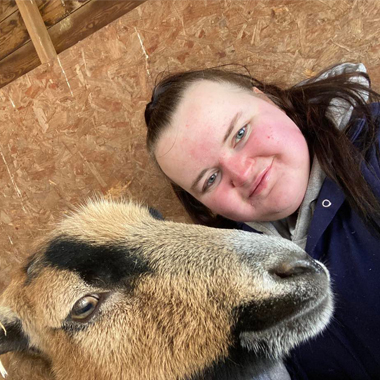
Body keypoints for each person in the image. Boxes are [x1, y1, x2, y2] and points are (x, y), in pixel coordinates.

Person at [144, 62, 380, 379]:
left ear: (268, 99)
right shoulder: (233, 287)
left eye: (240, 133)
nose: (242, 174)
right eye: (211, 179)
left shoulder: (373, 150)